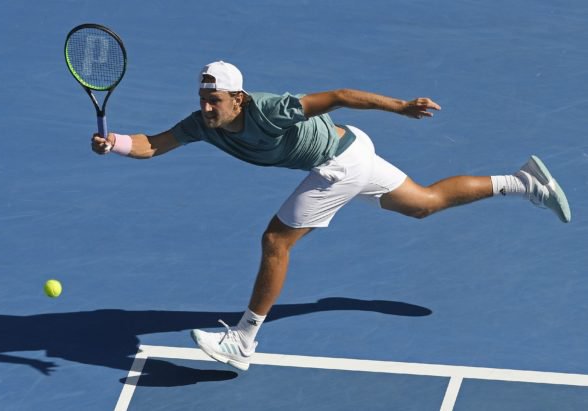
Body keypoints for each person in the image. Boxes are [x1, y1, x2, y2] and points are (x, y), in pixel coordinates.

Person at [91, 61, 571, 371]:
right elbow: (154, 145)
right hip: (352, 152)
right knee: (423, 204)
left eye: (214, 100)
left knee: (276, 242)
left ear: (239, 98)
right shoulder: (202, 126)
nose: (206, 106)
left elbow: (340, 95)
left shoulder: (273, 109)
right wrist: (115, 144)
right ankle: (524, 182)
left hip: (339, 162)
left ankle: (243, 340)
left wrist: (402, 107)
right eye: (202, 98)